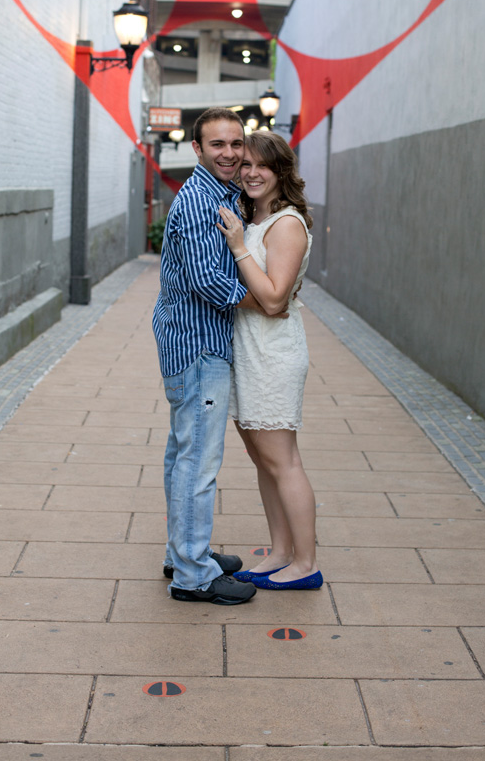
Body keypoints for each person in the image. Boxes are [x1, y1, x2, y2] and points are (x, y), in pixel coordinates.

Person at [152, 107, 279, 605]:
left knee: (182, 454)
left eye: (235, 144)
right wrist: (269, 300)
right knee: (198, 462)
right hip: (200, 346)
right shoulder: (199, 201)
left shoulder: (219, 194)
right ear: (197, 149)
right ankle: (193, 575)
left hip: (191, 342)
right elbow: (209, 282)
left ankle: (183, 552)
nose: (228, 153)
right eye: (217, 145)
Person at [216, 130, 323, 590]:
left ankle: (306, 564)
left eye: (263, 165)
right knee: (264, 461)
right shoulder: (254, 216)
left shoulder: (286, 224)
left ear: (281, 171)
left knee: (283, 462)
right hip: (249, 350)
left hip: (273, 353)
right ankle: (281, 552)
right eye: (246, 164)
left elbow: (275, 299)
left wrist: (238, 248)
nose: (252, 173)